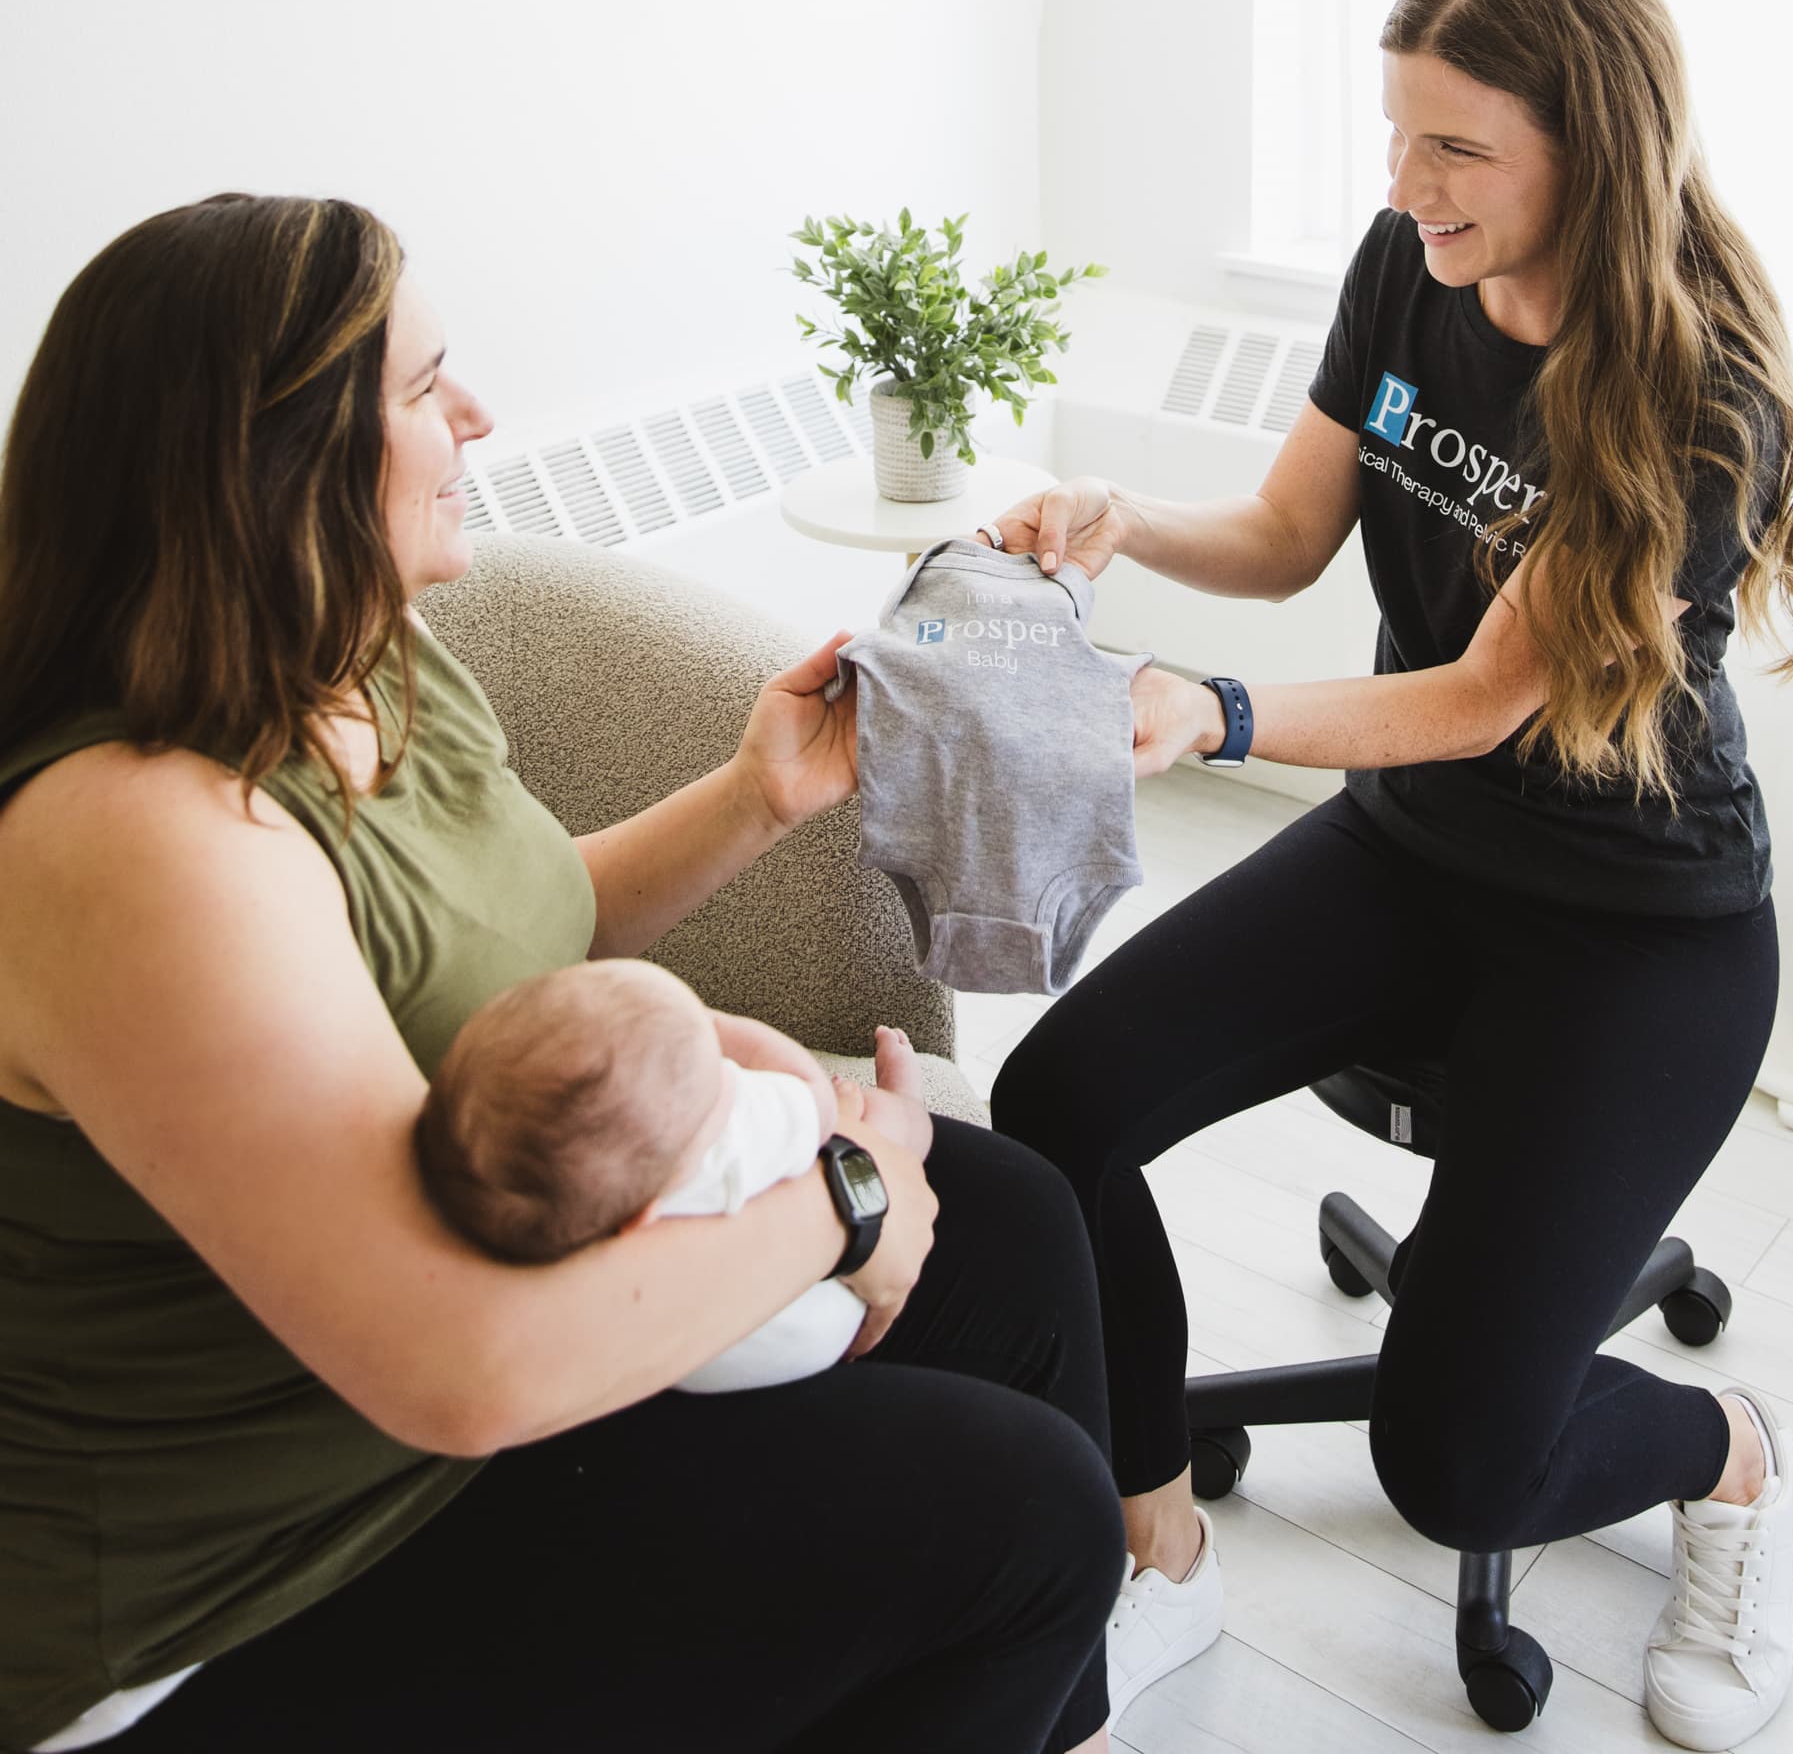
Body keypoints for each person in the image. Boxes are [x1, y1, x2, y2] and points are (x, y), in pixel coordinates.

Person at [0, 194, 1125, 1754]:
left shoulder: (366, 655)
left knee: (1014, 1221)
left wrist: (758, 794)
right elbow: (464, 1371)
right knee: (1020, 1512)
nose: (478, 416)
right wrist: (843, 1203)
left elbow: (527, 928)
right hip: (237, 1595)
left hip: (422, 1416)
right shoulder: (140, 838)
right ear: (274, 460)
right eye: (421, 389)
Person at [991, 0, 1793, 1752]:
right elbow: (1296, 533)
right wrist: (1124, 515)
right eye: (1394, 134)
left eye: (1453, 146)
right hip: (1411, 857)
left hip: (1636, 928)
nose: (1405, 183)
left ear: (1587, 148)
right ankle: (1160, 1548)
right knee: (1060, 1107)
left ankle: (1732, 1457)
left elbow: (1480, 692)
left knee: (1455, 1458)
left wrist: (1211, 712)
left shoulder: (1694, 395)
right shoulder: (1404, 267)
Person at [416, 961, 934, 1395]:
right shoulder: (721, 1151)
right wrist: (708, 1029)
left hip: (707, 1363)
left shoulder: (573, 1199)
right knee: (882, 1123)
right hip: (828, 1310)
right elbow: (813, 1094)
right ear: (642, 1216)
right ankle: (908, 1100)